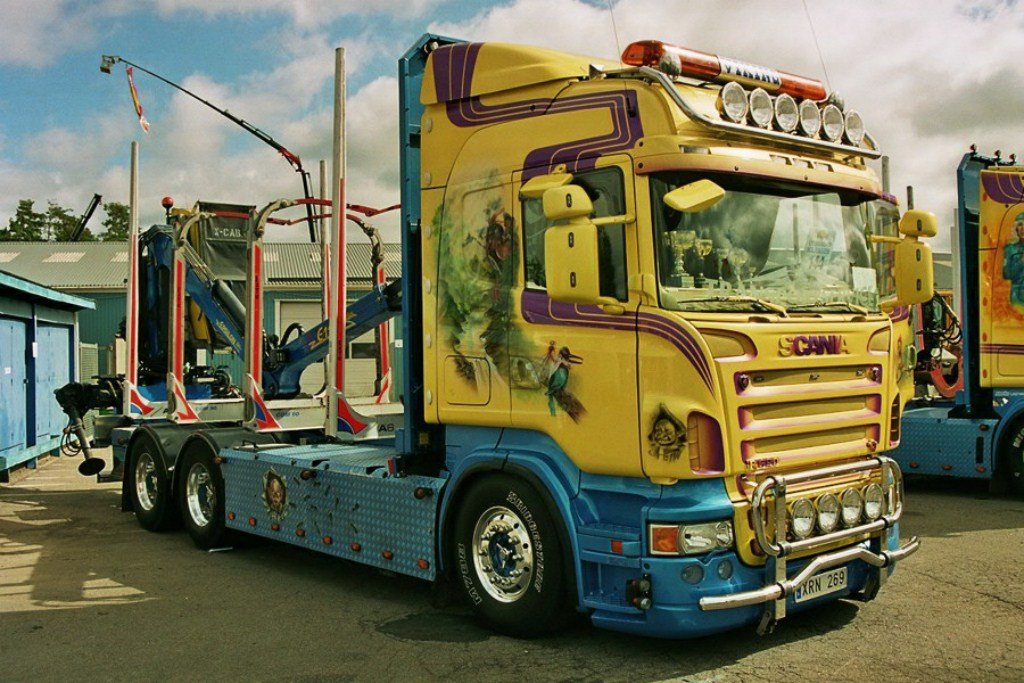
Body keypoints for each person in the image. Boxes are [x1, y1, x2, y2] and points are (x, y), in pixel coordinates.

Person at [1002, 212, 1024, 308]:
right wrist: (1021, 261)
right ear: (1016, 229)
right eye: (1020, 224)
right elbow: (1007, 274)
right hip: (1017, 297)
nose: (1023, 228)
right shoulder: (1010, 249)